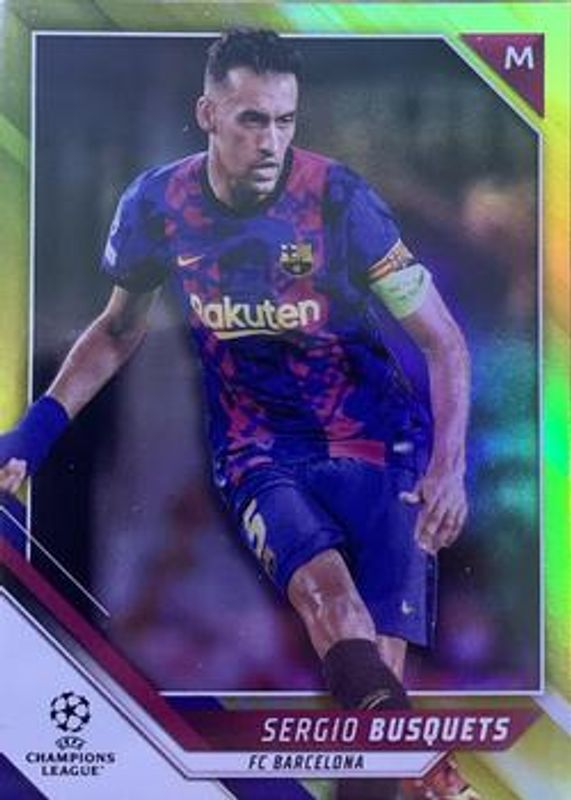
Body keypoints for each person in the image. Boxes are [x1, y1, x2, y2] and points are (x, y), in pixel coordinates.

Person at [0, 29, 474, 799]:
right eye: (253, 119)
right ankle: (420, 764)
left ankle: (399, 763)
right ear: (208, 114)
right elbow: (117, 330)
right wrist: (37, 430)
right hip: (257, 451)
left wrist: (448, 468)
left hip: (375, 444)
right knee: (327, 603)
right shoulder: (158, 206)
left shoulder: (340, 201)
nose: (271, 142)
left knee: (372, 690)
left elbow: (443, 342)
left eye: (285, 121)